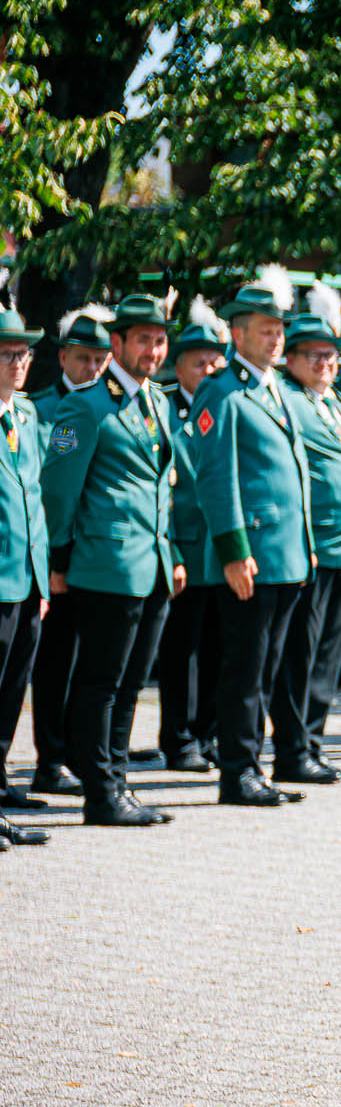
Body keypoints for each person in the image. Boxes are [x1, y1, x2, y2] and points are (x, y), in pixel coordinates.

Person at [40, 293, 182, 827]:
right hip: (106, 562)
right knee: (100, 681)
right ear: (117, 343)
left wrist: (173, 552)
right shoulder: (87, 404)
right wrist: (59, 557)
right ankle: (99, 792)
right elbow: (59, 491)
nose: (153, 349)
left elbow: (161, 486)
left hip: (152, 563)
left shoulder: (158, 401)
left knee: (129, 684)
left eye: (159, 339)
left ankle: (117, 783)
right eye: (142, 339)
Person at [192, 278, 314, 807]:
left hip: (285, 554)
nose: (276, 339)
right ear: (237, 334)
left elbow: (296, 475)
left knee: (266, 669)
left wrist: (306, 540)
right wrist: (233, 550)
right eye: (266, 330)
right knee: (244, 668)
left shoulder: (276, 390)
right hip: (253, 555)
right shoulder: (222, 392)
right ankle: (238, 769)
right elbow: (217, 477)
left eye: (279, 329)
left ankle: (254, 765)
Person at [270, 313, 341, 784]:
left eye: (330, 355)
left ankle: (312, 743)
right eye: (314, 355)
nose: (325, 363)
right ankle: (291, 751)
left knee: (329, 654)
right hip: (314, 547)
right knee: (301, 655)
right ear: (290, 359)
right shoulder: (289, 401)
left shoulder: (336, 402)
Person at [26, 305, 114, 797]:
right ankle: (49, 758)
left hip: (96, 555)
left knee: (91, 663)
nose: (93, 369)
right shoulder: (39, 409)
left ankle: (84, 755)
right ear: (63, 357)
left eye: (101, 360)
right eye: (83, 359)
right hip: (56, 554)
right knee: (54, 660)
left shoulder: (110, 405)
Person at [156, 314, 227, 774]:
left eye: (214, 362)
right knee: (178, 651)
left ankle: (209, 732)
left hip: (220, 553)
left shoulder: (227, 407)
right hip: (184, 548)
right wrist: (174, 552)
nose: (207, 370)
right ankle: (178, 739)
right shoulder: (164, 410)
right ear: (178, 367)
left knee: (219, 648)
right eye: (198, 362)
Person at [0, 308, 53, 847]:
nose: (19, 363)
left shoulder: (29, 416)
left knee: (11, 695)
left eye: (24, 353)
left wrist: (43, 577)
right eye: (8, 354)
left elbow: (35, 499)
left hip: (27, 580)